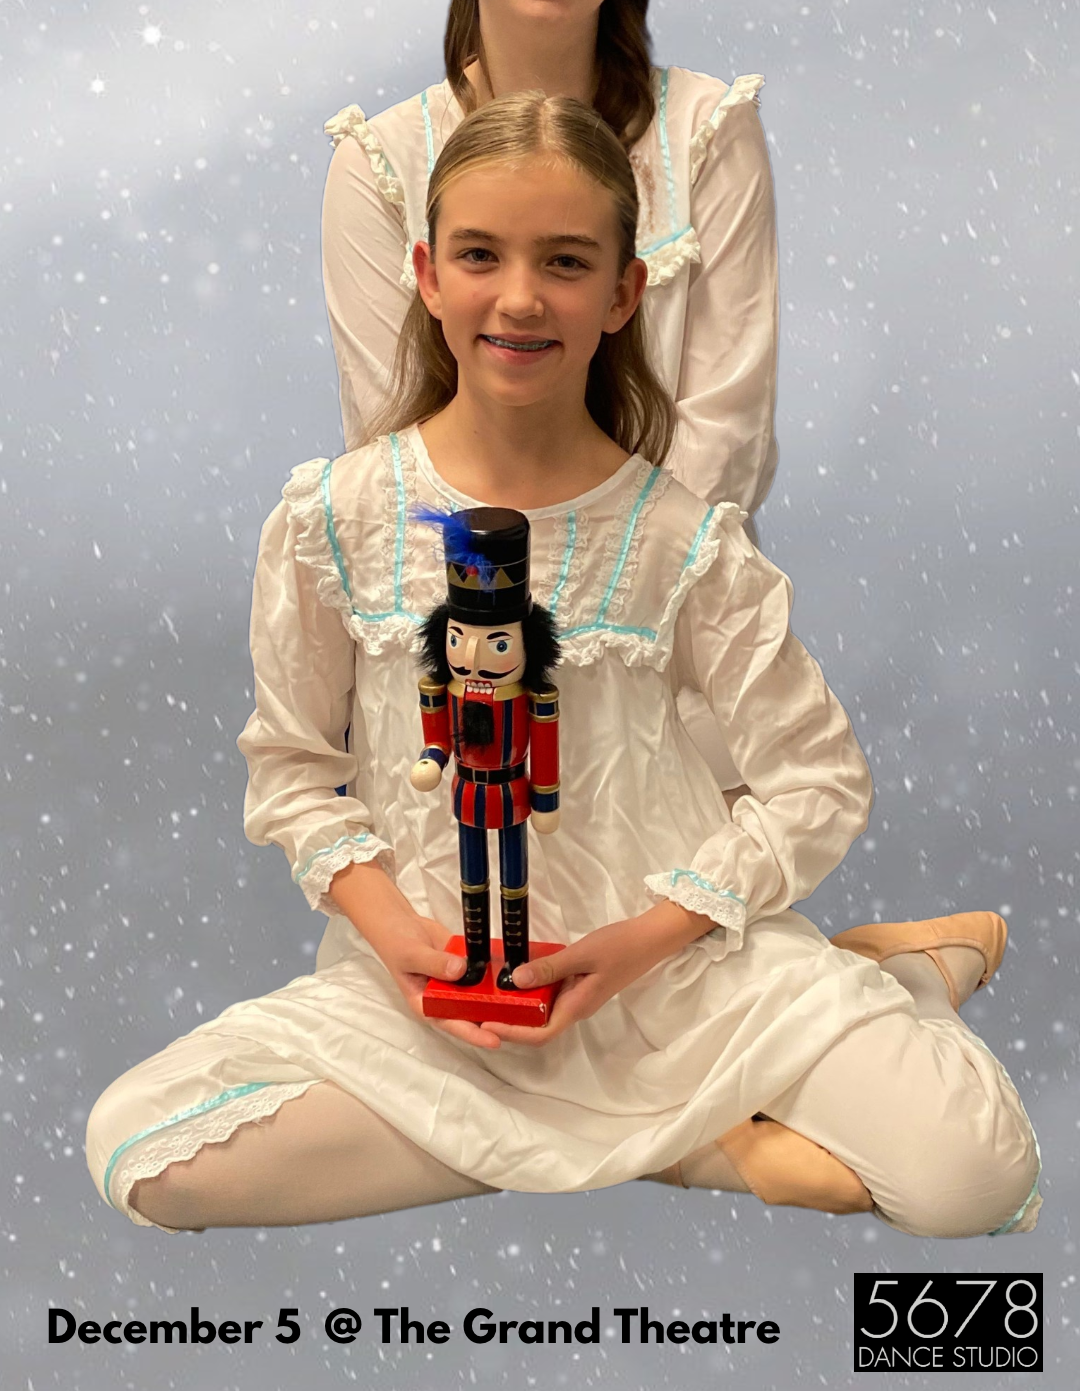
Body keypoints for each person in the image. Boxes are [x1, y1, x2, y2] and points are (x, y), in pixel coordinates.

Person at [85, 95, 1040, 1239]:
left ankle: (868, 1000)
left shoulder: (683, 542)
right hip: (425, 994)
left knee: (966, 1184)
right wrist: (401, 944)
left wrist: (643, 943)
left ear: (623, 293)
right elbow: (293, 772)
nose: (521, 297)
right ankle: (699, 1144)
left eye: (566, 261)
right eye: (482, 257)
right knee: (143, 1157)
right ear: (429, 275)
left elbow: (818, 783)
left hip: (677, 986)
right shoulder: (332, 519)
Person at [321, 0, 775, 799]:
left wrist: (613, 631)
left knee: (681, 947)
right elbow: (394, 444)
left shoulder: (706, 135)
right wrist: (506, 628)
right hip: (464, 637)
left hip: (676, 642)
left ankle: (887, 963)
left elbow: (725, 432)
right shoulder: (383, 163)